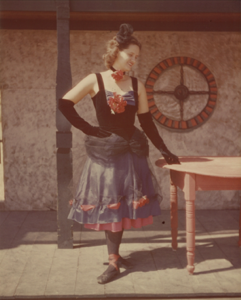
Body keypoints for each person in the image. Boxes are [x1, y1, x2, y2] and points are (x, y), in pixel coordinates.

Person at [59, 24, 180, 284]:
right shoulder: (96, 79)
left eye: (137, 56)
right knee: (112, 205)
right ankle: (113, 261)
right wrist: (88, 128)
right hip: (105, 156)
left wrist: (165, 149)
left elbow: (146, 122)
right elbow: (65, 103)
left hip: (132, 153)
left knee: (123, 205)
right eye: (130, 55)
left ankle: (115, 256)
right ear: (116, 52)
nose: (134, 60)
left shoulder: (137, 84)